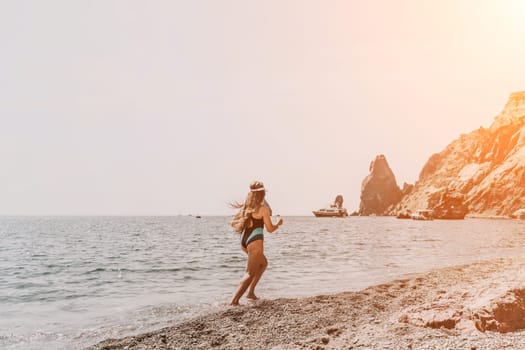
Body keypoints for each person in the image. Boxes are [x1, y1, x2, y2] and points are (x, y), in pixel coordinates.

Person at [229, 181, 283, 305]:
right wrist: (278, 223)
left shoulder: (246, 207)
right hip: (255, 241)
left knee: (263, 263)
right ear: (262, 193)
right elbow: (270, 229)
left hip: (245, 241)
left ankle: (251, 293)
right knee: (250, 272)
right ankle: (234, 301)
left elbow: (233, 222)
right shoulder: (262, 209)